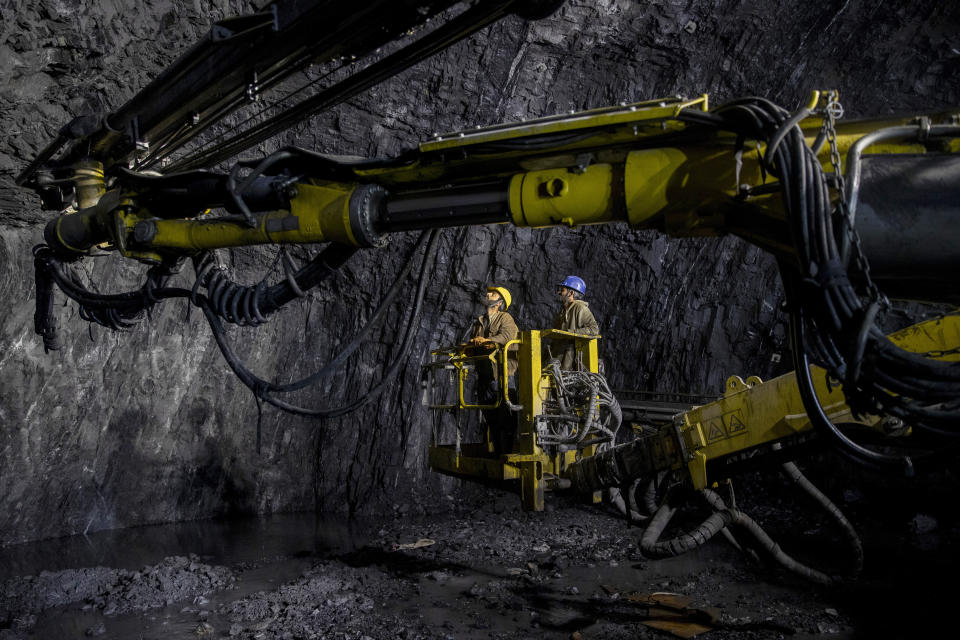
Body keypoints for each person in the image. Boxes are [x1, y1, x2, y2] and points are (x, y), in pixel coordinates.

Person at [466, 286, 518, 455]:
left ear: (500, 303)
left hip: (501, 375)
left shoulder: (505, 318)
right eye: (489, 292)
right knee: (491, 418)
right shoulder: (479, 321)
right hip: (484, 377)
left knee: (506, 417)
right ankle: (498, 453)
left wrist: (487, 340)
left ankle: (507, 453)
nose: (488, 294)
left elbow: (508, 336)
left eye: (493, 294)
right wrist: (468, 347)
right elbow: (475, 343)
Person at [551, 275, 599, 369]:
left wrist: (572, 333)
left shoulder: (580, 309)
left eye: (562, 290)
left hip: (570, 359)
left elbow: (594, 329)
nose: (559, 292)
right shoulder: (562, 311)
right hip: (558, 357)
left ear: (571, 293)